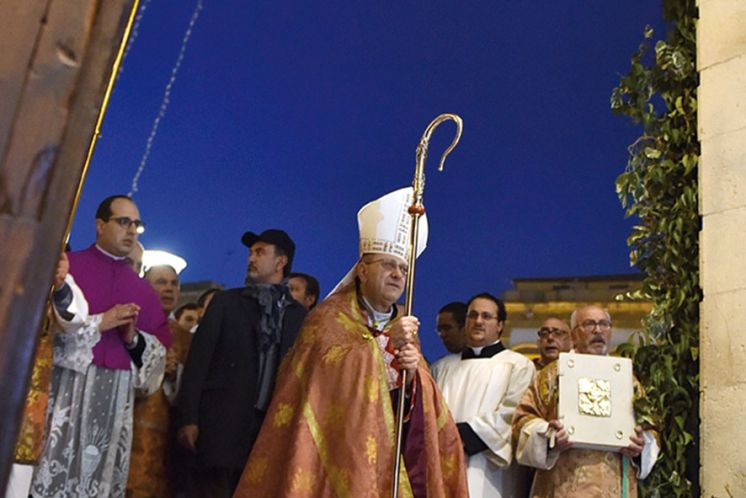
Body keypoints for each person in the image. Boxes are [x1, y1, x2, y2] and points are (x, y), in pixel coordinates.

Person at [233, 187, 468, 498]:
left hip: (390, 461)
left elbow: (417, 407)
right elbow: (323, 382)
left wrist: (413, 377)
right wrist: (384, 349)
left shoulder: (404, 323)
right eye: (388, 265)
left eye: (404, 269)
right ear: (362, 270)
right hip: (333, 456)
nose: (398, 275)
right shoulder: (327, 318)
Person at [31, 194, 172, 498]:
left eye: (136, 224)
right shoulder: (69, 269)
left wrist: (132, 338)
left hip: (113, 399)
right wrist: (100, 322)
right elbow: (42, 333)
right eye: (123, 222)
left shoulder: (142, 290)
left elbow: (157, 362)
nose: (132, 230)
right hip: (64, 390)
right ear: (99, 225)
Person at [177, 229, 307, 498]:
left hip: (267, 434)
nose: (251, 258)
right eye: (250, 252)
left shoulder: (298, 317)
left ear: (281, 262)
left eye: (260, 252)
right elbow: (198, 362)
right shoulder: (227, 303)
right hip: (219, 429)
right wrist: (188, 418)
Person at [512, 305, 660, 497]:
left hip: (614, 482)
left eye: (604, 324)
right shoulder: (552, 375)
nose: (598, 330)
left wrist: (641, 446)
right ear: (573, 335)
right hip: (563, 483)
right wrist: (548, 437)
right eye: (589, 324)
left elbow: (651, 428)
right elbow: (523, 419)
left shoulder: (627, 378)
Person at [432, 292, 535, 498]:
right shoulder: (441, 367)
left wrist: (459, 435)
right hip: (444, 462)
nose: (478, 321)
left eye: (486, 316)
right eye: (473, 315)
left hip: (490, 470)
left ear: (500, 325)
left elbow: (512, 414)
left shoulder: (518, 365)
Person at [127, 264, 192, 498]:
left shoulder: (186, 337)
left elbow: (191, 390)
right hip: (126, 429)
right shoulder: (127, 323)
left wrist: (176, 374)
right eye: (161, 282)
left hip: (165, 442)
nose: (168, 289)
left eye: (174, 283)